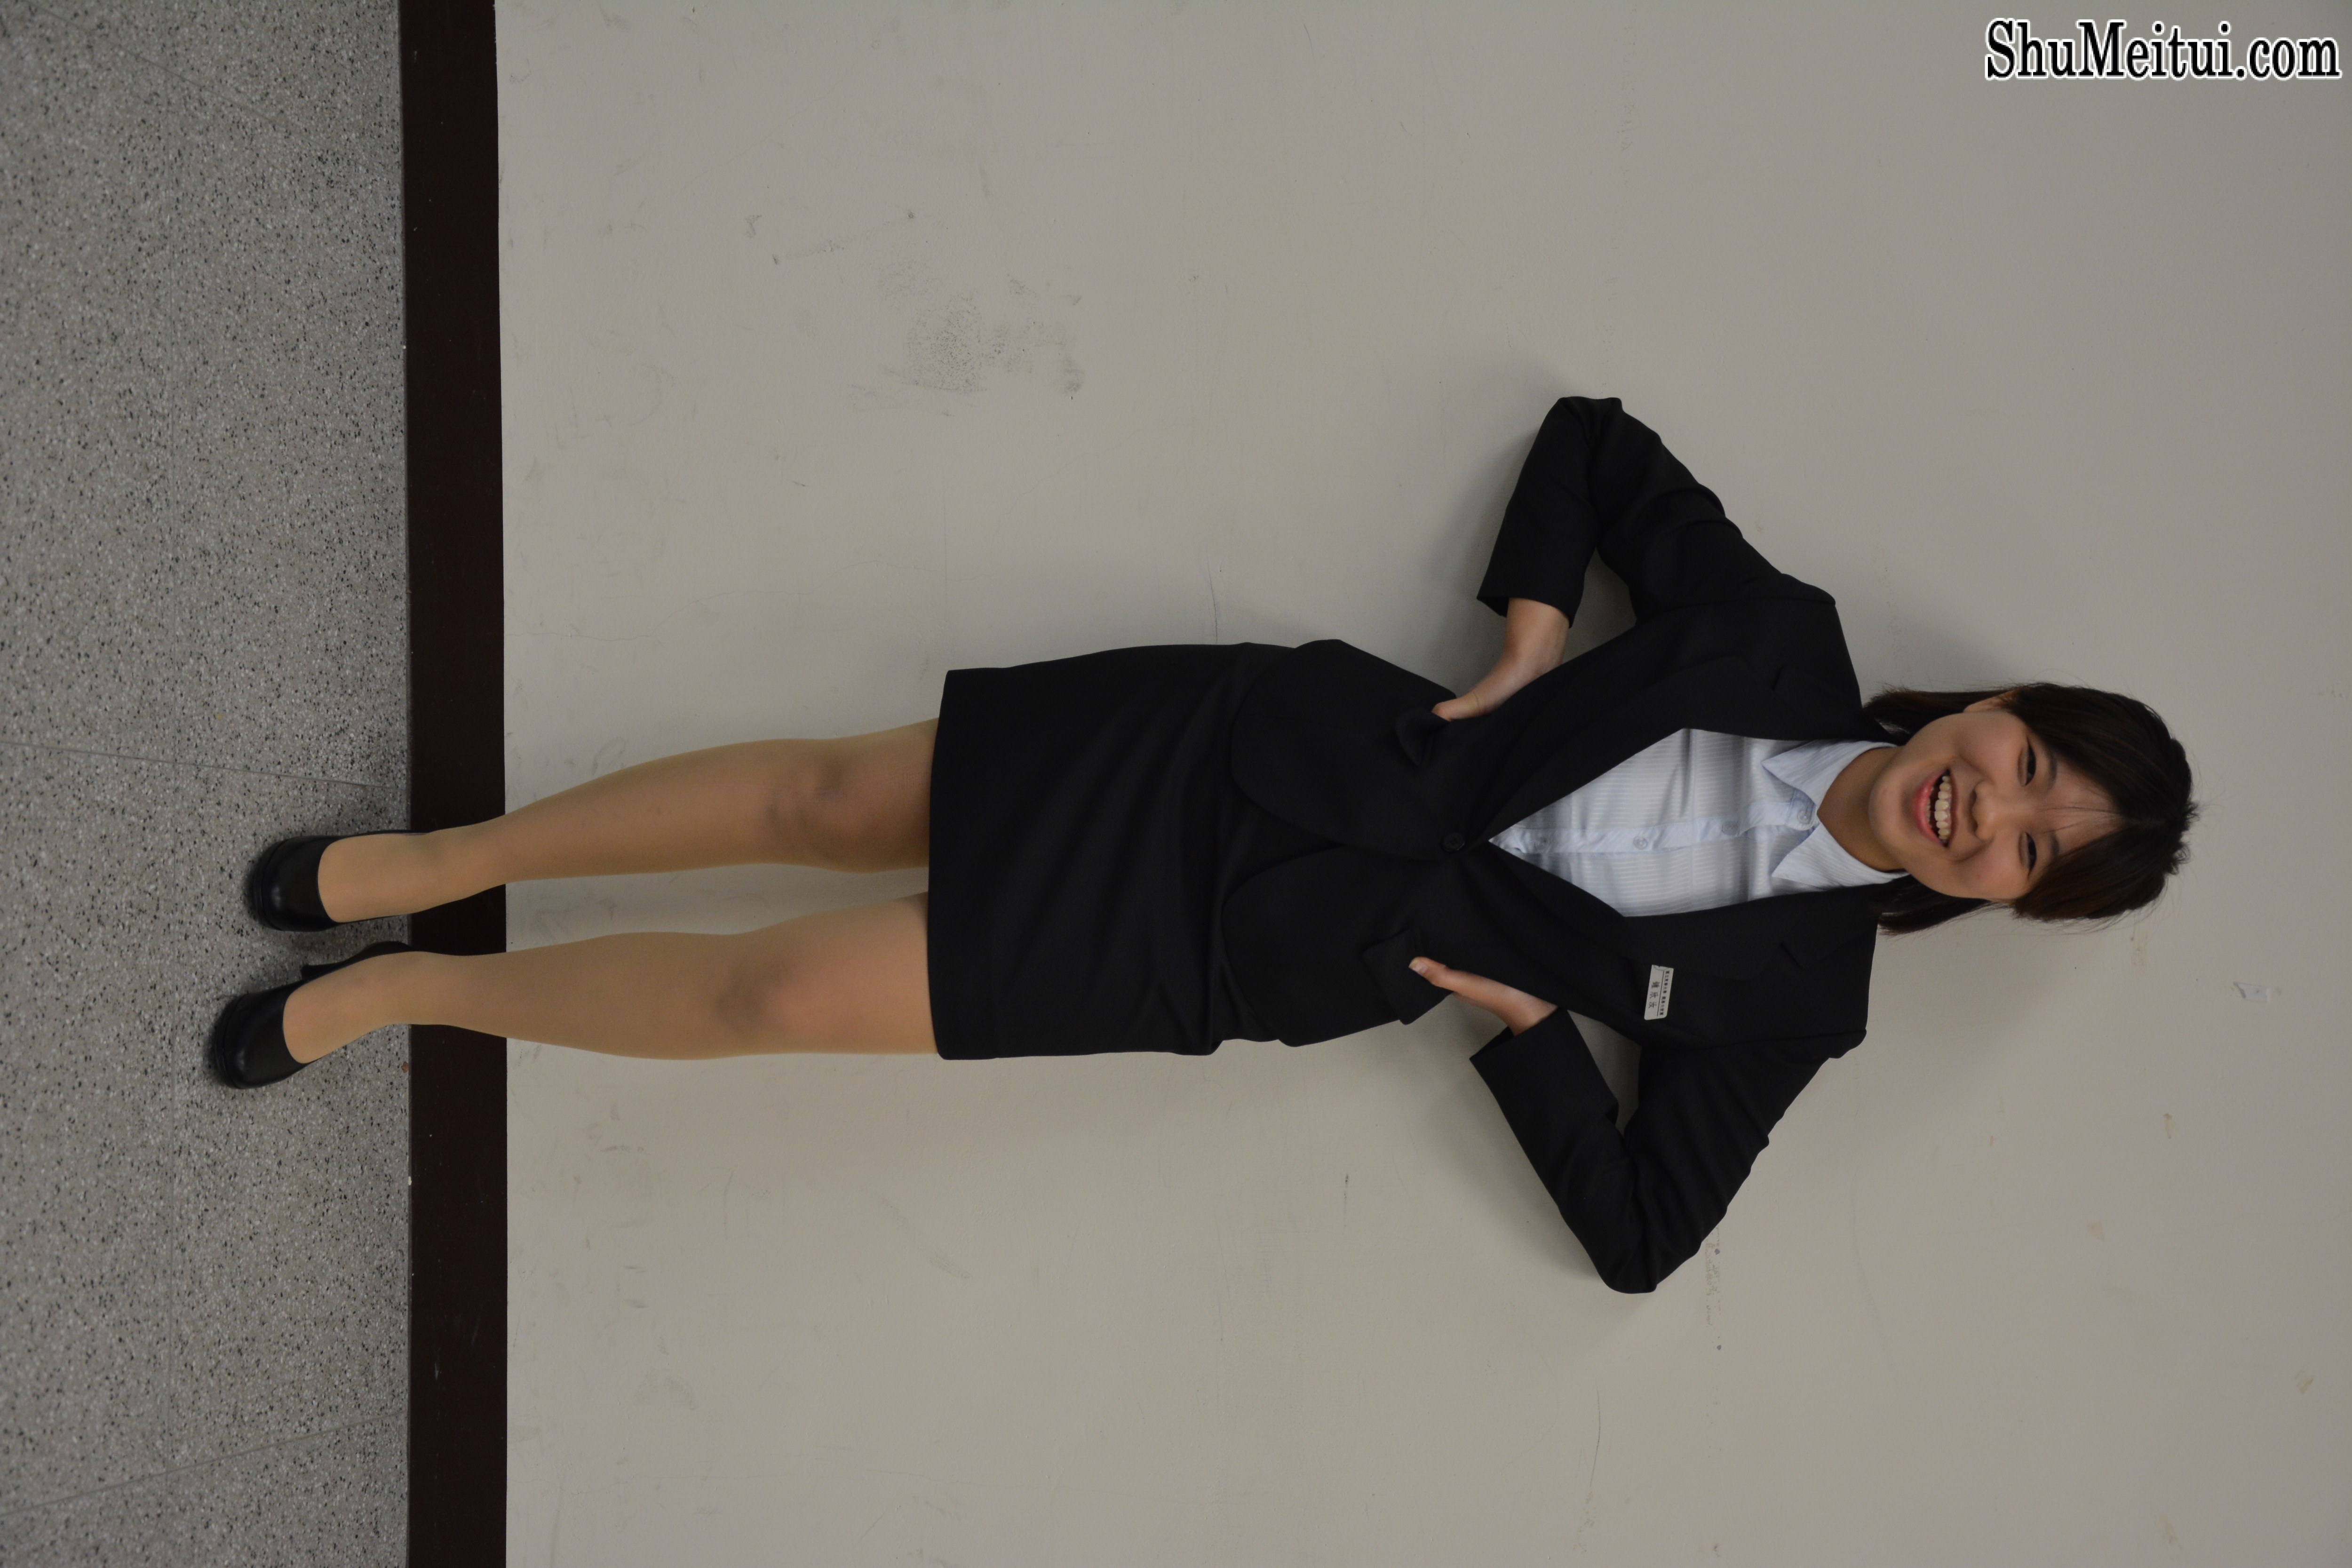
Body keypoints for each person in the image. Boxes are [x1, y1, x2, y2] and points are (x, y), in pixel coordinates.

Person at [212, 396, 2196, 1292]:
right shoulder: (1777, 638)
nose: (1987, 807)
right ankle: (435, 860)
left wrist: (1525, 1031)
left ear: (2001, 900)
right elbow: (1593, 441)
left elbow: (1642, 1240)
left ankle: (411, 994)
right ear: (1995, 703)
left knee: (780, 997)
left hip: (1246, 950)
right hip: (1244, 745)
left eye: (2030, 852)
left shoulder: (1801, 1001)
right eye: (2026, 760)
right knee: (825, 801)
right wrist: (1529, 631)